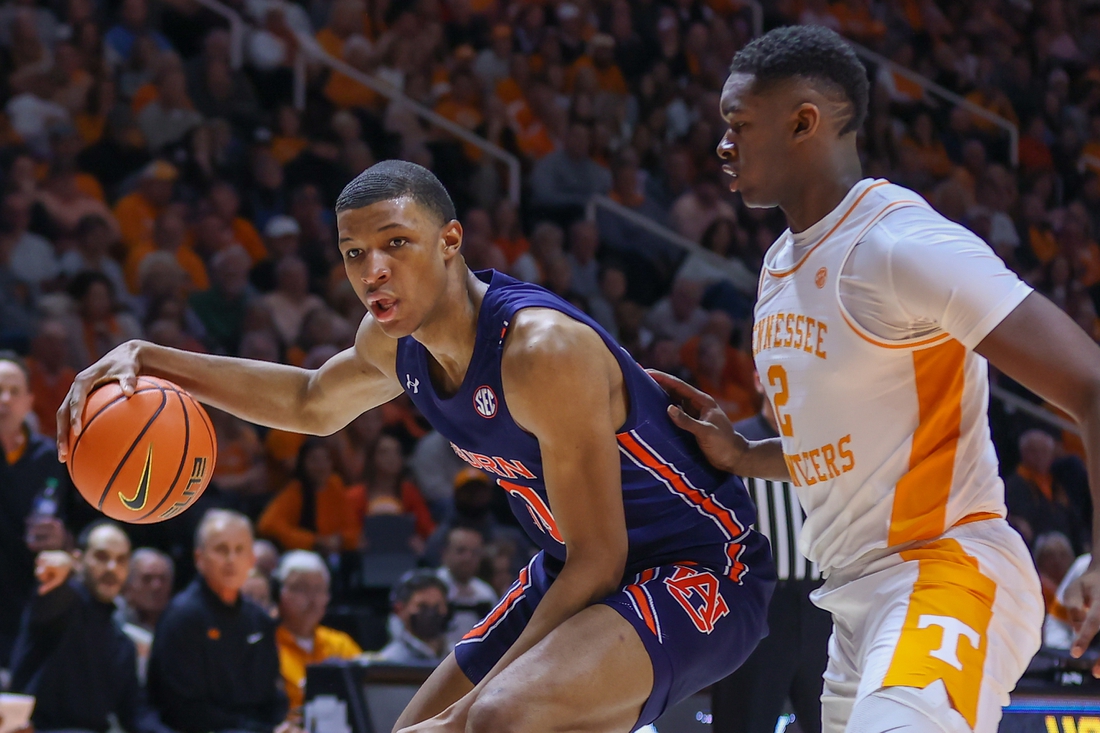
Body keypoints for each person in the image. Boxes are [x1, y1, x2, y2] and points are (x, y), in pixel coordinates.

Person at [59, 158, 775, 733]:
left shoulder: (541, 352)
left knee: (496, 718)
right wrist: (150, 358)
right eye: (353, 253)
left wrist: (468, 712)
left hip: (700, 568)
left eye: (394, 243)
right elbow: (309, 401)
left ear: (450, 241)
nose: (372, 270)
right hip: (574, 568)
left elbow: (600, 558)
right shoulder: (392, 342)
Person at [650, 24, 1100, 733]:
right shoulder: (778, 266)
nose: (723, 144)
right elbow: (846, 448)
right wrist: (744, 455)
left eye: (739, 124)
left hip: (944, 567)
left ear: (804, 122)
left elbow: (1091, 385)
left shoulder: (899, 244)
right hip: (852, 604)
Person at [710, 375, 830, 733]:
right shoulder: (731, 443)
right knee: (743, 722)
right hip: (757, 607)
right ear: (759, 380)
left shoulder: (833, 444)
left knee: (837, 722)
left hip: (827, 604)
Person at [146, 509, 291, 733]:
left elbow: (273, 697)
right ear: (199, 558)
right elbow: (183, 710)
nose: (231, 559)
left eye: (239, 550)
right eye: (221, 550)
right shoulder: (181, 618)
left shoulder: (259, 620)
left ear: (252, 560)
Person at [9, 521, 157, 733]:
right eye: (101, 557)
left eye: (121, 560)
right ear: (79, 559)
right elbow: (51, 594)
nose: (112, 568)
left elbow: (136, 715)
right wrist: (62, 566)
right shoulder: (62, 603)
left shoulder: (123, 646)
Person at [0, 353, 71, 669]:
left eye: (14, 391)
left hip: (31, 596)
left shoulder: (52, 458)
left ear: (29, 401)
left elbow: (78, 527)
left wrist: (62, 539)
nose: (5, 399)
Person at [273, 550, 361, 714]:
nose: (312, 598)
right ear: (280, 593)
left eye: (319, 589)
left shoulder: (341, 643)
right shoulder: (267, 644)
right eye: (301, 588)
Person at [436, 526, 498, 650]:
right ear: (444, 553)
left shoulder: (486, 594)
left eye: (474, 553)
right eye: (461, 551)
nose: (468, 558)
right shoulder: (430, 588)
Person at [375, 570, 453, 666]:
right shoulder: (389, 662)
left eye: (437, 606)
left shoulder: (457, 657)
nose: (431, 613)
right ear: (399, 609)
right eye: (422, 606)